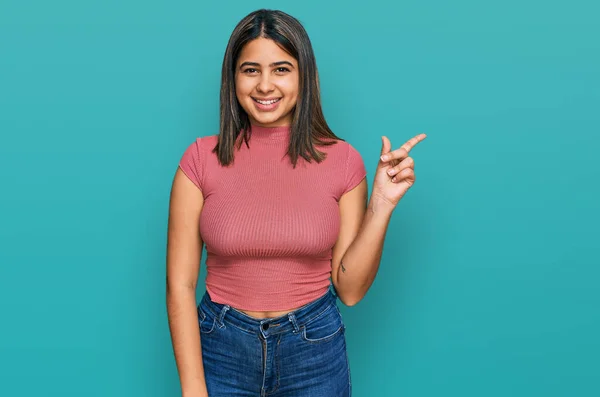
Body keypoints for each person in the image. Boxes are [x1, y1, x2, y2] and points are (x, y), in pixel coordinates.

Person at [166, 8, 426, 397]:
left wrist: (382, 205)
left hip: (313, 350)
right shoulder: (200, 160)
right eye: (250, 69)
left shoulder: (343, 161)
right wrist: (192, 386)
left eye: (282, 69)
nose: (265, 85)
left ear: (304, 76)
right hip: (221, 348)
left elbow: (350, 290)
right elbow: (180, 285)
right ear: (232, 78)